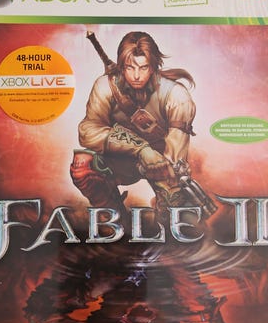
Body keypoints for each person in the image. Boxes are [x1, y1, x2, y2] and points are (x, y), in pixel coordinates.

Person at [70, 31, 196, 219]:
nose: (136, 75)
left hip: (161, 162)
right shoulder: (105, 86)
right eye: (130, 68)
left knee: (178, 215)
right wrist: (141, 148)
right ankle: (113, 219)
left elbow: (176, 152)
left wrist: (167, 174)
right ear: (121, 67)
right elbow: (89, 131)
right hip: (121, 160)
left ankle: (168, 222)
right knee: (83, 165)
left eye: (143, 68)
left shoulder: (176, 95)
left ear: (153, 67)